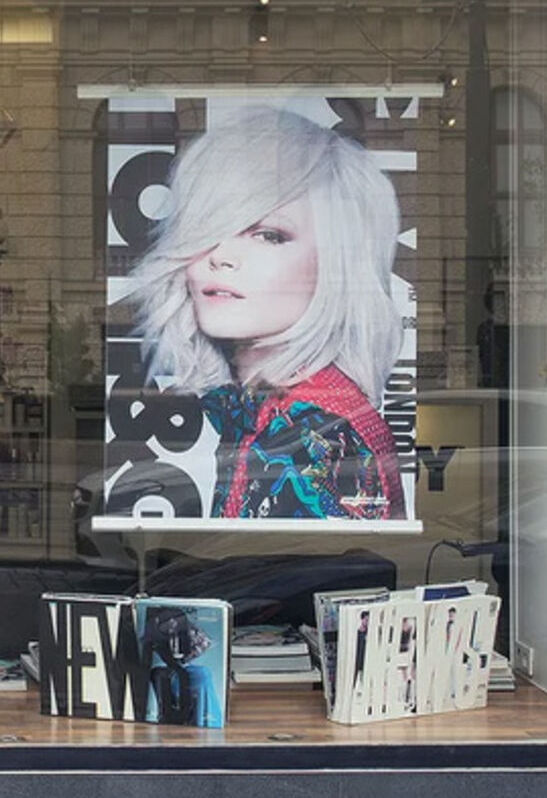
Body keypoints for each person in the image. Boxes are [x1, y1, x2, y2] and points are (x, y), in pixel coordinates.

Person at [132, 106, 405, 520]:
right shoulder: (276, 410)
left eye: (268, 235)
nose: (221, 256)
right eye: (209, 228)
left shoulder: (308, 436)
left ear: (335, 263)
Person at [141, 605, 221, 727]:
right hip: (165, 671)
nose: (171, 623)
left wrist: (184, 659)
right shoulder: (154, 633)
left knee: (200, 675)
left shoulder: (190, 631)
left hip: (182, 669)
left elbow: (205, 643)